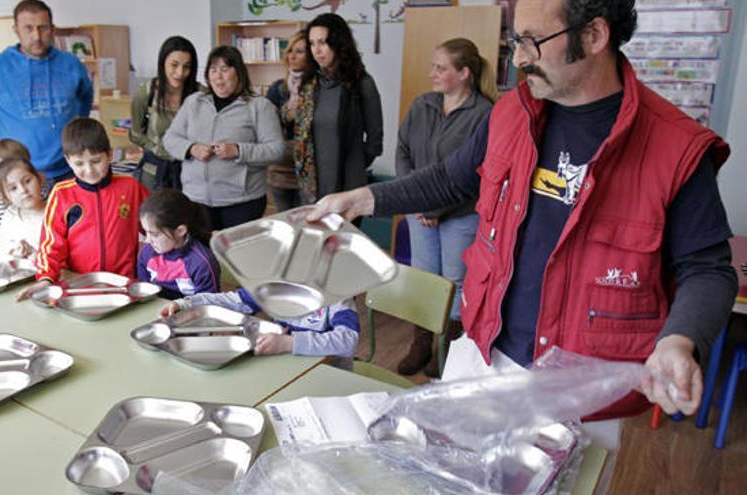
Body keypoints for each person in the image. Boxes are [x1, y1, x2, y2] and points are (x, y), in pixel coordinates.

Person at [309, 0, 737, 420]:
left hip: (584, 393)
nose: (518, 58)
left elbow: (708, 268)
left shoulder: (675, 148)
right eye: (517, 40)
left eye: (532, 41)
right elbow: (449, 178)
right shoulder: (511, 113)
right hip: (483, 355)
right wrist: (361, 198)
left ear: (593, 36)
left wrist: (679, 340)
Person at [395, 38, 496, 378]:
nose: (432, 73)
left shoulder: (485, 114)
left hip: (460, 213)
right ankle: (420, 345)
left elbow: (475, 174)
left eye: (441, 68)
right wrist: (414, 199)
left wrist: (434, 207)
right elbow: (403, 152)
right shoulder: (422, 104)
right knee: (424, 279)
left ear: (464, 73)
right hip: (418, 210)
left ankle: (447, 352)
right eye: (433, 66)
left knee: (454, 283)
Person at [0, 0, 93, 187]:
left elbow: (85, 95)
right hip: (18, 176)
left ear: (52, 29)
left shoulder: (72, 64)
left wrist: (77, 131)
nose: (36, 36)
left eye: (43, 28)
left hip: (68, 170)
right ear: (16, 30)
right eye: (28, 28)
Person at [16, 117, 149, 301]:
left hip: (125, 285)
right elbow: (51, 243)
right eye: (79, 163)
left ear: (110, 155)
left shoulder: (131, 187)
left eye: (96, 161)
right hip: (78, 287)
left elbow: (155, 224)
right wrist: (46, 278)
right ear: (68, 161)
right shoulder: (61, 194)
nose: (89, 170)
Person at [164, 45, 284, 230]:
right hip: (196, 199)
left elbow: (276, 149)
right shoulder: (193, 102)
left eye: (225, 69)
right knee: (202, 256)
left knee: (236, 257)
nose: (218, 76)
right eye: (213, 69)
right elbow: (170, 138)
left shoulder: (259, 106)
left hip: (242, 202)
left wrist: (239, 150)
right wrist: (191, 148)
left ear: (239, 73)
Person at [294, 13, 383, 203]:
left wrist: (355, 165)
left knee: (339, 234)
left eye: (323, 42)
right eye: (312, 43)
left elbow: (375, 139)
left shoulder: (362, 83)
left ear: (339, 43)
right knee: (314, 232)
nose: (317, 50)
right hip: (311, 184)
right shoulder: (309, 84)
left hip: (348, 186)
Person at [160, 290, 359, 368]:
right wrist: (187, 304)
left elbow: (347, 341)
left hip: (326, 371)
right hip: (282, 366)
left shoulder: (338, 298)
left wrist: (289, 343)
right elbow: (233, 301)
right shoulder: (275, 286)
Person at [129, 36, 200, 191]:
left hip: (189, 170)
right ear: (163, 63)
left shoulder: (200, 95)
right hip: (154, 170)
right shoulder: (147, 92)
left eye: (187, 66)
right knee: (153, 214)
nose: (180, 73)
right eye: (174, 65)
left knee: (188, 214)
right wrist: (156, 147)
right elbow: (135, 133)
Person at [137, 188, 220, 299]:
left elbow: (208, 304)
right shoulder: (146, 253)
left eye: (155, 234)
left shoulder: (202, 264)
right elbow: (145, 293)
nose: (147, 240)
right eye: (145, 232)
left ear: (180, 231)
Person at [264, 31, 308, 212]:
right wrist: (286, 114)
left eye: (299, 51)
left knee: (307, 224)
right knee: (285, 223)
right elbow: (267, 129)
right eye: (290, 51)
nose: (292, 56)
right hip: (280, 172)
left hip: (308, 172)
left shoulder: (319, 88)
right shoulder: (277, 88)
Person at [0, 157, 46, 259]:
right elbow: (3, 251)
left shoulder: (56, 212)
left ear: (39, 178)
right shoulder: (9, 215)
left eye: (27, 181)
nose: (23, 190)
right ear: (5, 196)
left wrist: (36, 255)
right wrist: (14, 251)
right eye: (13, 188)